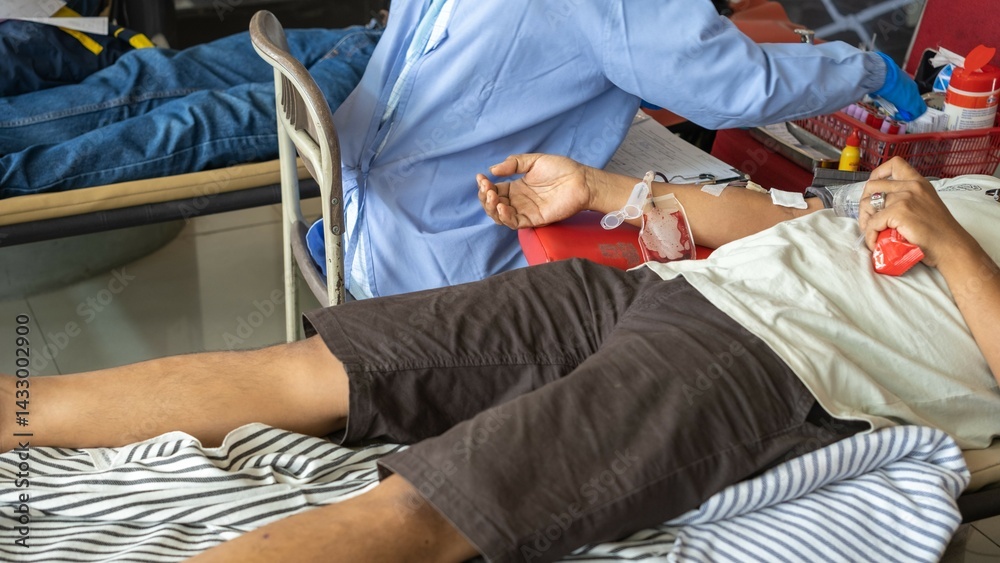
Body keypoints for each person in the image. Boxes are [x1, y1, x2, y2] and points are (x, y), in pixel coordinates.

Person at [3, 156, 996, 562]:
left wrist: (949, 243)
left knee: (428, 506)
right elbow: (788, 219)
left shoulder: (963, 218)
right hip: (661, 289)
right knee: (304, 373)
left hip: (778, 358)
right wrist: (602, 187)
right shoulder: (980, 175)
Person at [2, 0, 925, 298]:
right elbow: (736, 89)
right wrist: (864, 68)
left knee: (141, 98)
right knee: (681, 291)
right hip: (427, 251)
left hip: (351, 207)